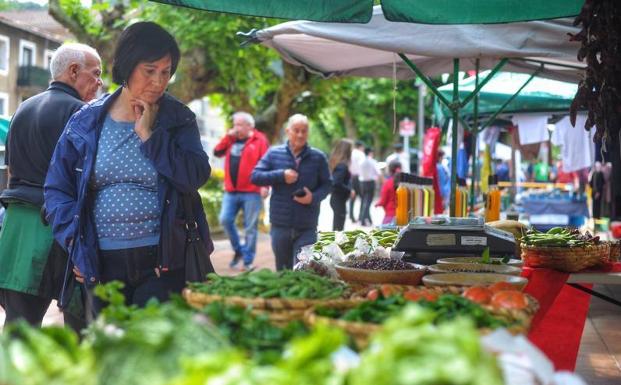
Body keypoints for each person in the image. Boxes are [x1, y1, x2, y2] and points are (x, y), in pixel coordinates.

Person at [44, 22, 213, 315]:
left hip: (164, 262)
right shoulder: (86, 121)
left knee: (155, 350)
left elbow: (194, 176)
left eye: (165, 72)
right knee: (112, 350)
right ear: (127, 65)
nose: (159, 81)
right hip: (102, 263)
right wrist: (78, 246)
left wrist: (150, 135)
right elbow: (57, 190)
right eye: (150, 70)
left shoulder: (177, 119)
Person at [0, 43, 102, 329]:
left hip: (17, 228)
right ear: (73, 71)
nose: (99, 83)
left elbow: (11, 171)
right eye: (95, 74)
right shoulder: (83, 113)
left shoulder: (22, 109)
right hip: (60, 227)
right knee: (79, 329)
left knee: (19, 328)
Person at [251, 114, 331, 270]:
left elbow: (327, 185)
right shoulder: (274, 153)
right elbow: (255, 176)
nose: (300, 134)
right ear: (288, 131)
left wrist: (313, 198)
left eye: (304, 131)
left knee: (304, 269)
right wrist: (281, 175)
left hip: (307, 225)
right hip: (280, 225)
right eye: (296, 130)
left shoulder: (318, 157)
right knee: (283, 270)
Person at [214, 111, 269, 271]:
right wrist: (227, 136)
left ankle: (248, 260)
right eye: (234, 124)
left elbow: (266, 163)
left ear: (249, 126)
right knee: (225, 219)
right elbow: (217, 152)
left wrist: (266, 185)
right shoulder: (231, 139)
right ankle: (239, 250)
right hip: (231, 191)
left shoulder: (260, 140)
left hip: (252, 191)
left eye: (239, 124)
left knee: (250, 227)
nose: (236, 128)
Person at [328, 139, 353, 231]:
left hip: (337, 199)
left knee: (337, 228)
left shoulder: (339, 164)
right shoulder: (342, 166)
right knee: (338, 230)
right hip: (338, 199)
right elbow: (336, 183)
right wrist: (349, 190)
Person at [358, 147, 379, 227]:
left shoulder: (361, 161)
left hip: (362, 182)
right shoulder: (372, 161)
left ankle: (367, 219)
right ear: (370, 153)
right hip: (370, 182)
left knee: (364, 200)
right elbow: (378, 172)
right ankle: (363, 219)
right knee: (368, 202)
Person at [348, 140, 365, 223]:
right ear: (361, 146)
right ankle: (361, 217)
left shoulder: (350, 153)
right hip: (360, 177)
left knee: (352, 197)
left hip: (351, 177)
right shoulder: (361, 154)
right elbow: (363, 166)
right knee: (363, 197)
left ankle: (351, 216)